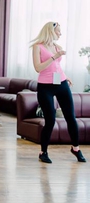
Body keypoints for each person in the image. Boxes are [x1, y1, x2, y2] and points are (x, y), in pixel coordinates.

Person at [30, 22, 85, 164]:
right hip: (45, 87)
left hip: (61, 83)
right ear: (50, 32)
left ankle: (76, 148)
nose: (60, 34)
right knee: (50, 120)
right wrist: (55, 56)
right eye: (58, 31)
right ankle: (43, 152)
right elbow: (38, 68)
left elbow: (56, 66)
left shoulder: (57, 47)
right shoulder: (37, 47)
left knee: (71, 118)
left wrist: (65, 76)